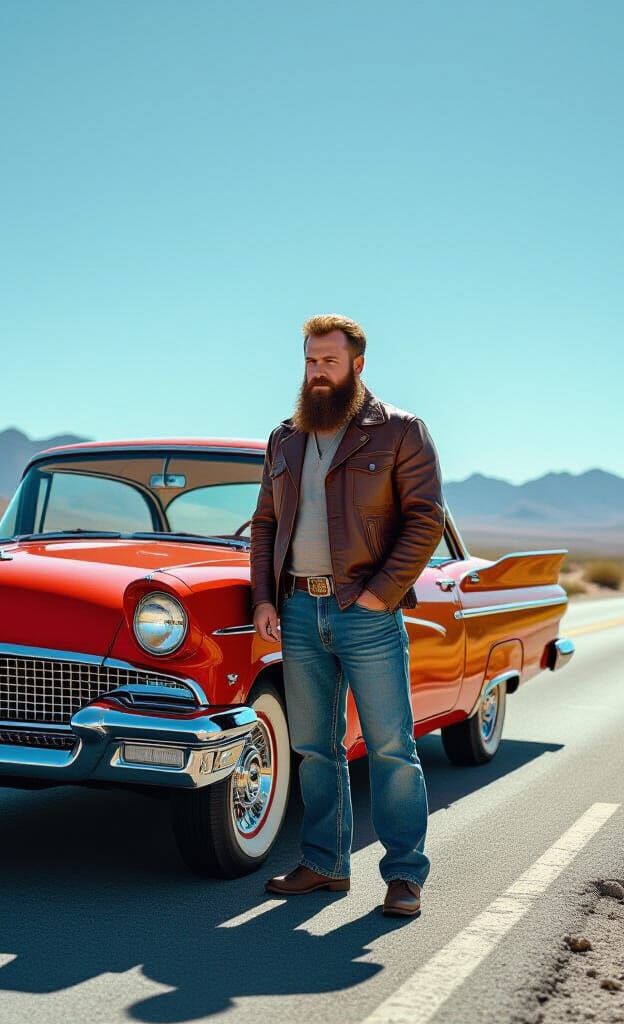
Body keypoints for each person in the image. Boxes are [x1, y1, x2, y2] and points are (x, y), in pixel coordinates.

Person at [249, 313, 445, 917]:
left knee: (390, 746)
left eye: (328, 362)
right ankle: (325, 865)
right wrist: (263, 597)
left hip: (366, 612)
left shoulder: (400, 432)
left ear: (357, 365)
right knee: (314, 747)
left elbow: (426, 518)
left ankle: (404, 875)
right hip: (299, 610)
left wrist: (380, 594)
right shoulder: (285, 437)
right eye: (310, 362)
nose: (316, 373)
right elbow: (265, 525)